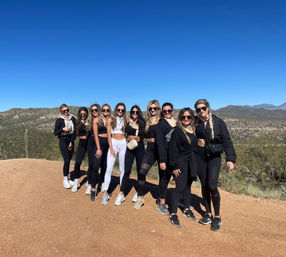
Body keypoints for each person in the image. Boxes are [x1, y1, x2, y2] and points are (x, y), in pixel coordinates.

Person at [195, 99, 236, 232]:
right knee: (204, 185)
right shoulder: (195, 122)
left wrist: (230, 158)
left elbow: (227, 140)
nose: (201, 111)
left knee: (212, 185)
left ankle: (217, 217)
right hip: (200, 157)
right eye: (198, 109)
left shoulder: (218, 122)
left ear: (208, 108)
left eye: (203, 108)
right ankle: (208, 213)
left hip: (214, 157)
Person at [168, 108, 197, 228]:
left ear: (192, 118)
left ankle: (186, 208)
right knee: (179, 187)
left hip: (191, 162)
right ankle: (173, 213)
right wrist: (174, 166)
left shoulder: (193, 130)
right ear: (180, 118)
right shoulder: (177, 131)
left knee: (187, 187)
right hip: (180, 162)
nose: (186, 119)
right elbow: (173, 150)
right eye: (183, 117)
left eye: (188, 117)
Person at [114, 105, 146, 206]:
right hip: (129, 148)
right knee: (126, 170)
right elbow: (122, 131)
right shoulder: (127, 122)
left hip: (140, 148)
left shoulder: (142, 123)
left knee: (140, 172)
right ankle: (121, 193)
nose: (135, 114)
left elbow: (143, 136)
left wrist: (137, 138)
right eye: (133, 112)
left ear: (139, 113)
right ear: (131, 112)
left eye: (136, 112)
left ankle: (139, 194)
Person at [134, 100, 161, 210]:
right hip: (150, 148)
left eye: (155, 108)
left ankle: (161, 197)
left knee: (162, 174)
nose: (153, 110)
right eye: (150, 108)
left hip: (161, 149)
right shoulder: (146, 122)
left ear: (158, 109)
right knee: (142, 172)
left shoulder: (162, 120)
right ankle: (140, 197)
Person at [101, 103, 127, 205]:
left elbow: (126, 133)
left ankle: (121, 193)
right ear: (116, 110)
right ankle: (105, 193)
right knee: (109, 168)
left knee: (122, 169)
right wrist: (111, 148)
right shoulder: (111, 120)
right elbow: (108, 135)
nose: (120, 112)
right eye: (119, 110)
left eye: (122, 110)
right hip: (114, 143)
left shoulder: (125, 120)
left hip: (123, 143)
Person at [154, 102, 176, 215]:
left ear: (172, 111)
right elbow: (160, 144)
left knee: (179, 178)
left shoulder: (177, 123)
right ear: (162, 112)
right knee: (164, 178)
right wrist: (162, 160)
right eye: (165, 111)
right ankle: (162, 202)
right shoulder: (161, 124)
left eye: (169, 111)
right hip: (165, 155)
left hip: (176, 155)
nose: (167, 113)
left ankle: (180, 200)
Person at [90, 104, 111, 201]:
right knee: (95, 166)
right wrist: (98, 148)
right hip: (99, 144)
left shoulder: (111, 120)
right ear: (101, 111)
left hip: (109, 144)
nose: (105, 111)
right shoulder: (96, 120)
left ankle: (103, 184)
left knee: (105, 166)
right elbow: (95, 134)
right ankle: (93, 188)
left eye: (107, 110)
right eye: (104, 110)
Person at [54, 104, 76, 189]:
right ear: (61, 111)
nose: (66, 112)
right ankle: (65, 178)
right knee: (66, 160)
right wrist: (63, 129)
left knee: (69, 159)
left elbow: (75, 132)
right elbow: (55, 132)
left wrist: (71, 142)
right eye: (64, 111)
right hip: (62, 140)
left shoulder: (73, 118)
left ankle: (69, 178)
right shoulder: (59, 120)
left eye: (67, 110)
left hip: (70, 140)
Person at [70, 107, 89, 192]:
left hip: (90, 144)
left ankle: (90, 181)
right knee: (78, 162)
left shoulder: (90, 122)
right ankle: (76, 182)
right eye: (81, 114)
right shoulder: (77, 123)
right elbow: (74, 134)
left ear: (86, 114)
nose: (83, 116)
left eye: (84, 114)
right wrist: (71, 142)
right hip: (81, 143)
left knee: (91, 163)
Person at [85, 104, 100, 195]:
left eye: (96, 110)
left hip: (100, 142)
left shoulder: (103, 120)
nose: (94, 111)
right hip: (91, 142)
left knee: (97, 164)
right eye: (92, 110)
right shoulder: (89, 121)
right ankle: (90, 183)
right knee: (91, 164)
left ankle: (99, 182)